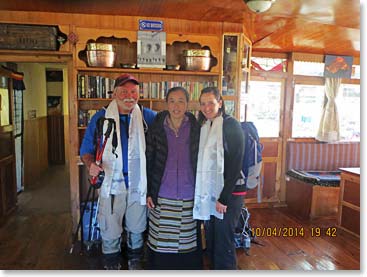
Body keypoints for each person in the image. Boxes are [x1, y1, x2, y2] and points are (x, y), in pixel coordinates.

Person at [80, 73, 156, 270]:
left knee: (137, 228)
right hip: (110, 184)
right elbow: (85, 152)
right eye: (123, 91)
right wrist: (91, 165)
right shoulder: (100, 118)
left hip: (138, 184)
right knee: (110, 230)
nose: (129, 96)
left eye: (133, 91)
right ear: (114, 93)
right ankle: (111, 266)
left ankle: (134, 263)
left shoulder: (148, 117)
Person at [145, 87, 203, 270]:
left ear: (187, 104)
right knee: (160, 242)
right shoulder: (156, 127)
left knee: (186, 243)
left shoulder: (196, 128)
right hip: (162, 192)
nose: (176, 106)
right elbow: (149, 160)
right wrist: (148, 192)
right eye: (172, 101)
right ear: (166, 103)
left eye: (180, 101)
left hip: (188, 193)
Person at [193, 86, 245, 270]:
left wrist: (223, 198)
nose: (207, 107)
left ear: (220, 103)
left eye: (211, 103)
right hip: (211, 192)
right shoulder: (205, 126)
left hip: (229, 194)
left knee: (224, 241)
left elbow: (235, 164)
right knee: (212, 239)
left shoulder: (231, 125)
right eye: (203, 104)